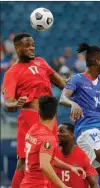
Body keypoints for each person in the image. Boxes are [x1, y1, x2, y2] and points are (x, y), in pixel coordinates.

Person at [2, 33, 67, 188]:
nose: (32, 47)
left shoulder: (41, 62)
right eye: (27, 45)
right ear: (17, 48)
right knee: (24, 162)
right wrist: (17, 103)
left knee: (49, 159)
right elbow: (7, 105)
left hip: (49, 118)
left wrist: (78, 82)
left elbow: (61, 83)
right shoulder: (12, 72)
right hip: (29, 119)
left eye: (33, 45)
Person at [59, 42, 100, 188]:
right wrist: (73, 104)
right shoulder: (77, 79)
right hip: (87, 130)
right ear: (96, 61)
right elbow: (63, 98)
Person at [20, 96, 86, 188]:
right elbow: (44, 166)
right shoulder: (47, 138)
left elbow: (47, 158)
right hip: (38, 185)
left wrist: (70, 168)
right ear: (56, 113)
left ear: (38, 111)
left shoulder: (33, 130)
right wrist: (63, 186)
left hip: (26, 184)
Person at [52, 123, 99, 188]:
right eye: (57, 131)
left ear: (72, 135)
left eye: (61, 131)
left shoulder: (83, 155)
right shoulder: (52, 152)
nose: (58, 134)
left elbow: (94, 184)